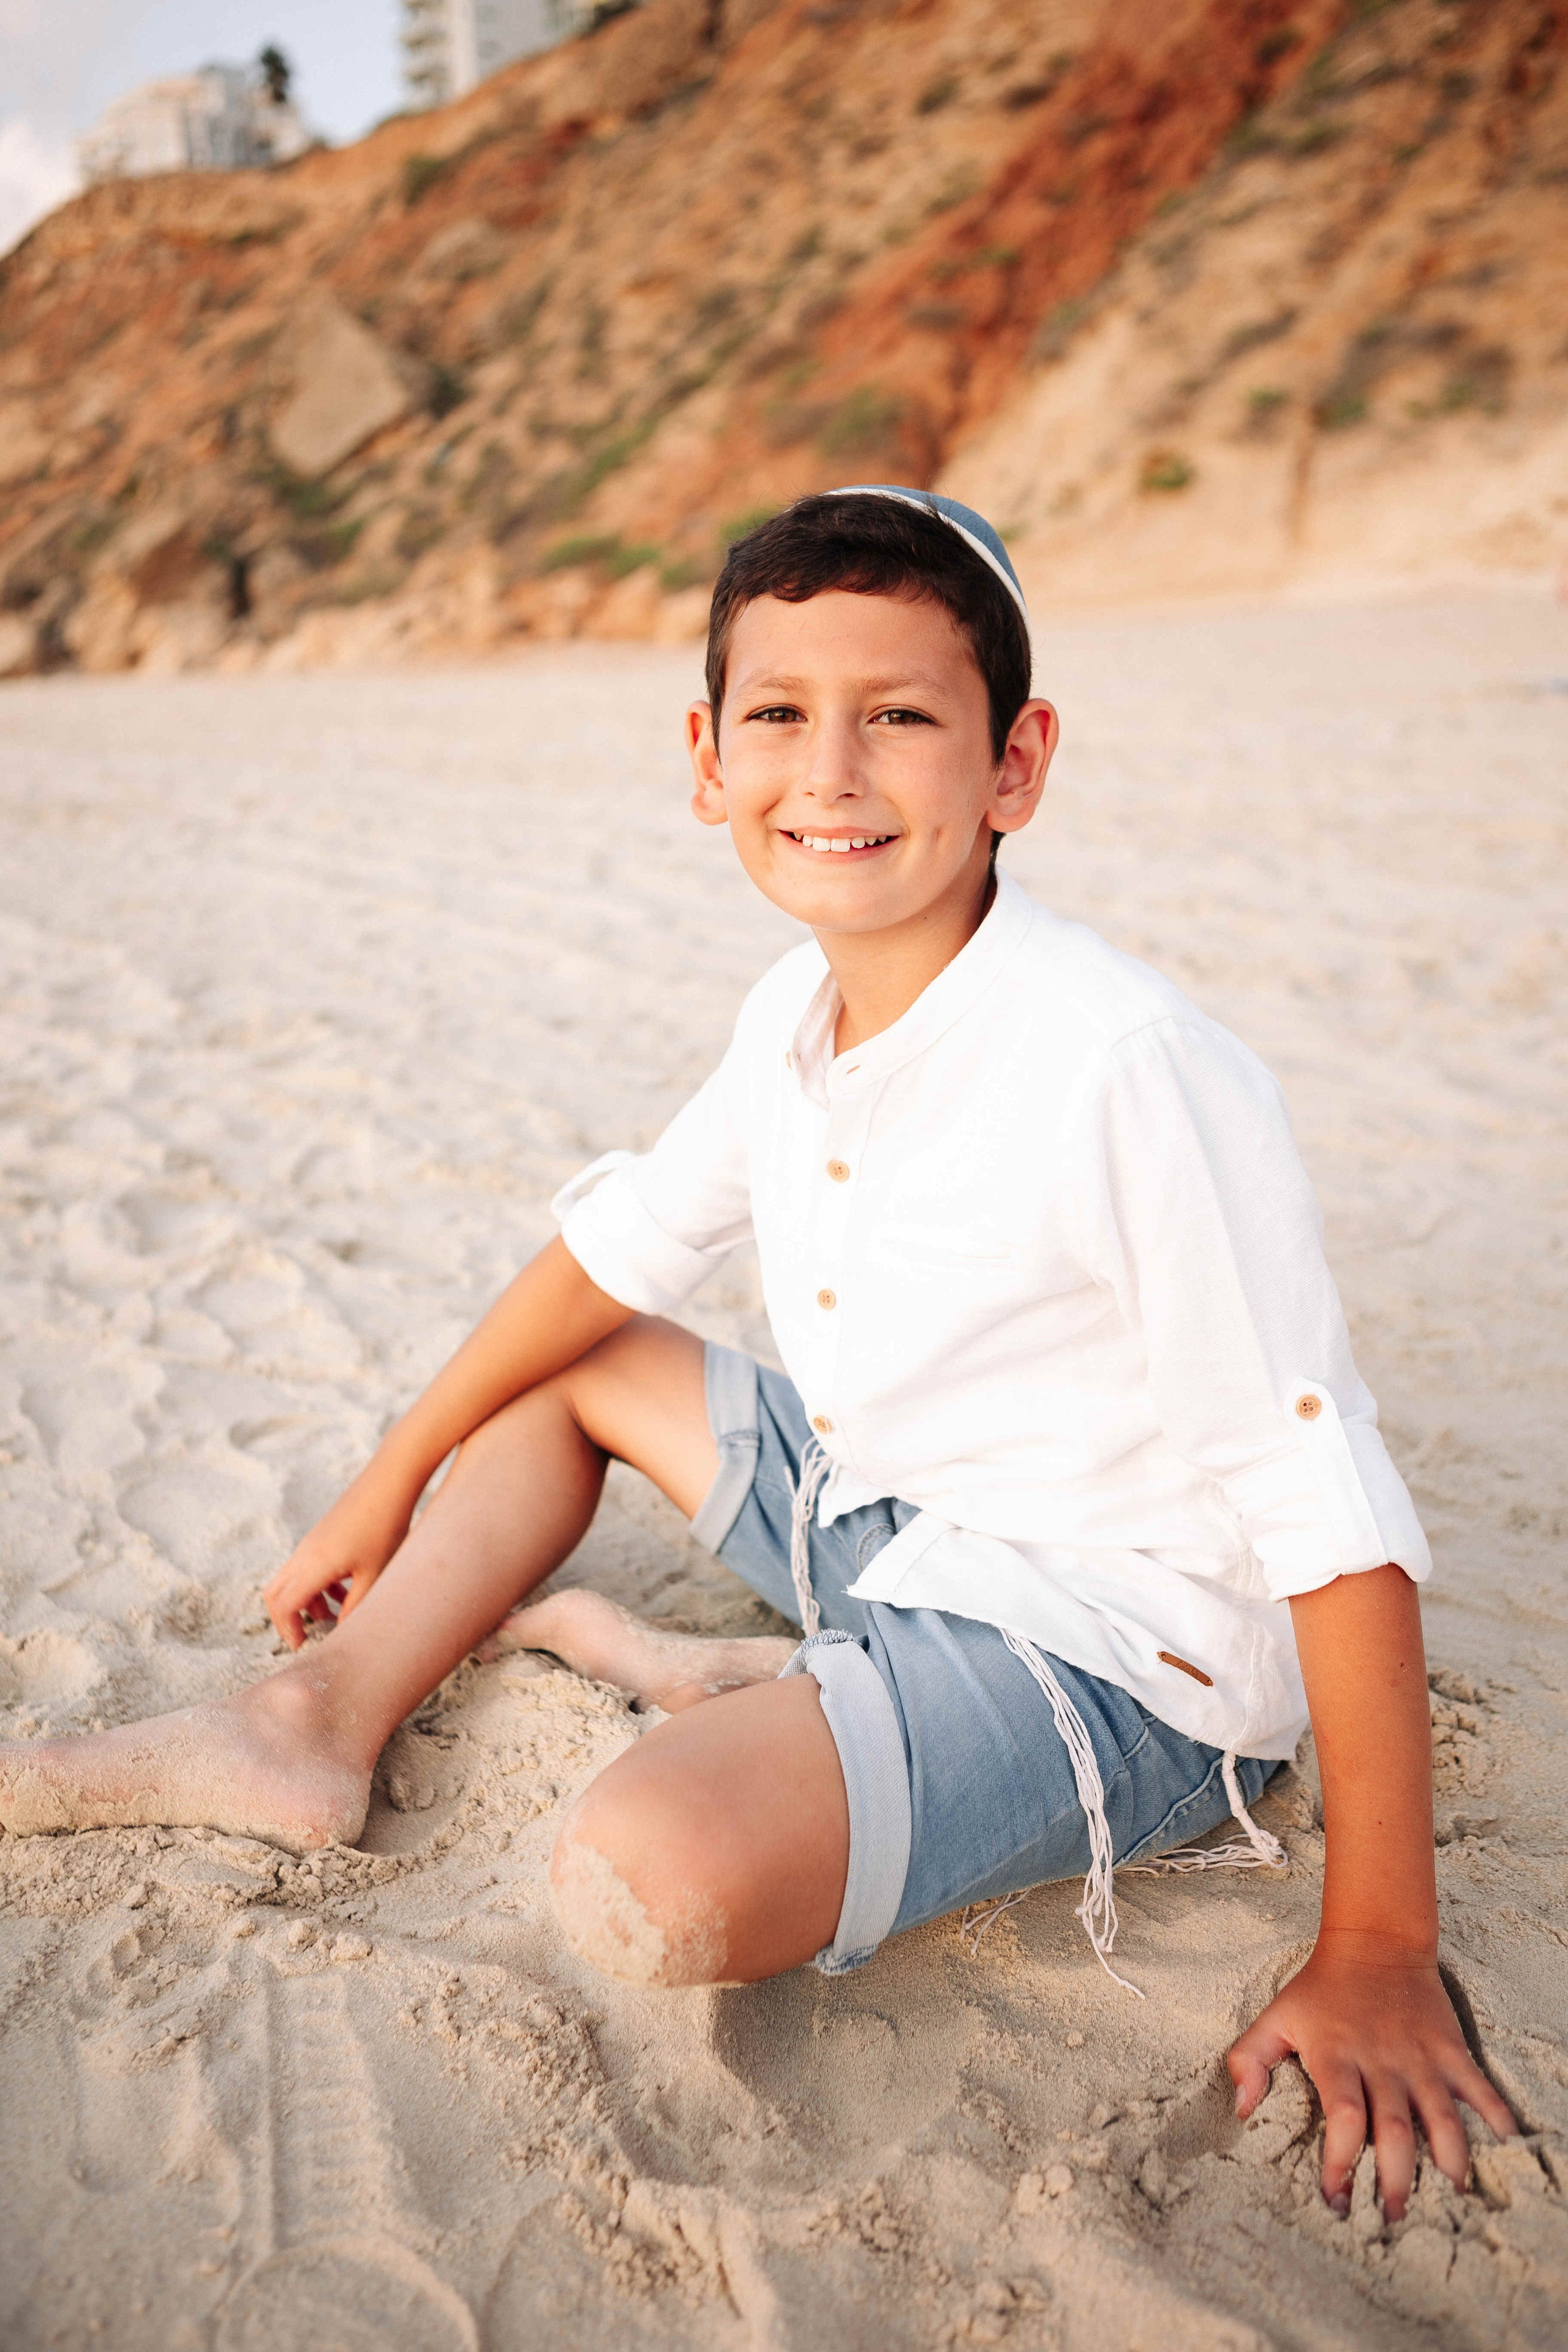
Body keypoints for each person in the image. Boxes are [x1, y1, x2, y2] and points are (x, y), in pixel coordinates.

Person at [0, 488, 1515, 2222]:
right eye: (782, 715)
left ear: (1016, 763)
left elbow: (1322, 1499)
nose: (835, 771)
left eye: (902, 717)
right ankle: (315, 1723)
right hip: (907, 1505)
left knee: (655, 1874)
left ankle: (775, 1696)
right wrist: (383, 1484)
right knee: (571, 1364)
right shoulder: (793, 1015)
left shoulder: (1125, 1068)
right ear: (709, 759)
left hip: (1115, 1638)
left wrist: (1385, 1941)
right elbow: (611, 1258)